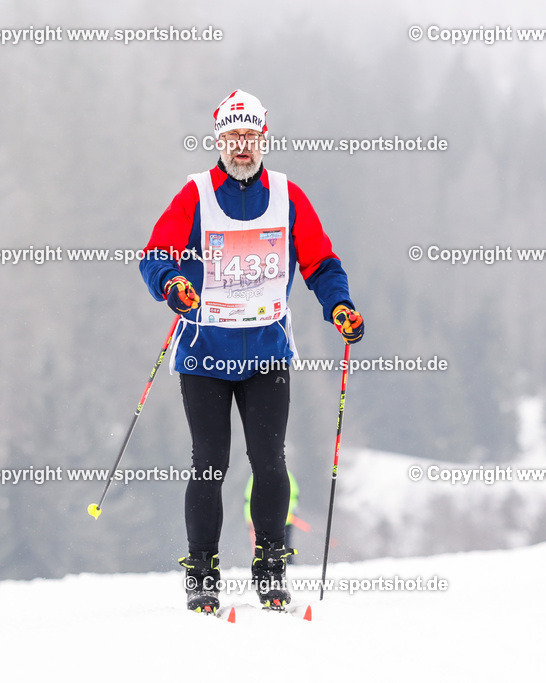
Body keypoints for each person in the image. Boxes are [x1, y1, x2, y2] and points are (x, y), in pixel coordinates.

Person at [139, 90, 364, 613]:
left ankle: (270, 565)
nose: (242, 147)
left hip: (266, 353)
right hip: (205, 353)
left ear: (264, 138)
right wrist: (171, 283)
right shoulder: (195, 195)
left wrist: (340, 308)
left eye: (251, 136)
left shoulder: (288, 196)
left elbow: (321, 264)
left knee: (269, 460)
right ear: (219, 140)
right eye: (233, 137)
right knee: (209, 463)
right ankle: (202, 570)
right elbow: (155, 254)